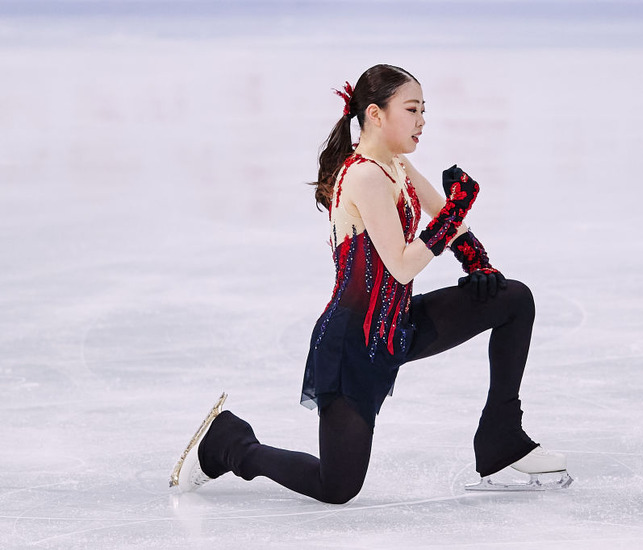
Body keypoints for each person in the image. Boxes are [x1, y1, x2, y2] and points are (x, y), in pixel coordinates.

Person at [170, 64, 570, 503]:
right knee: (337, 486)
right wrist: (455, 213)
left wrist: (479, 264)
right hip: (352, 346)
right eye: (412, 109)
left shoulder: (396, 165)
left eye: (424, 110)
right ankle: (232, 445)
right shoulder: (362, 175)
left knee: (513, 299)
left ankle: (501, 436)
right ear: (376, 115)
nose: (422, 121)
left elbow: (444, 218)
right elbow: (400, 266)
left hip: (399, 326)